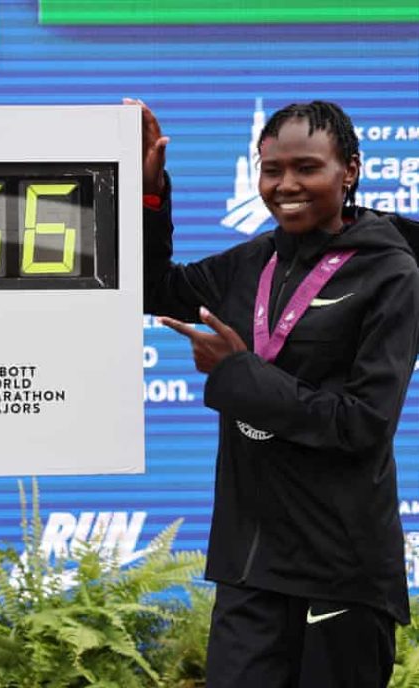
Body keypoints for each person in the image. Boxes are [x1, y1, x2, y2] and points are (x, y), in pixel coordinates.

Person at [132, 98, 419, 687]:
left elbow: (362, 423)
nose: (286, 185)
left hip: (341, 569)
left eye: (307, 168)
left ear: (350, 170)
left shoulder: (391, 272)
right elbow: (151, 288)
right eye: (272, 170)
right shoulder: (249, 264)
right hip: (251, 565)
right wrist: (150, 195)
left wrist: (237, 374)